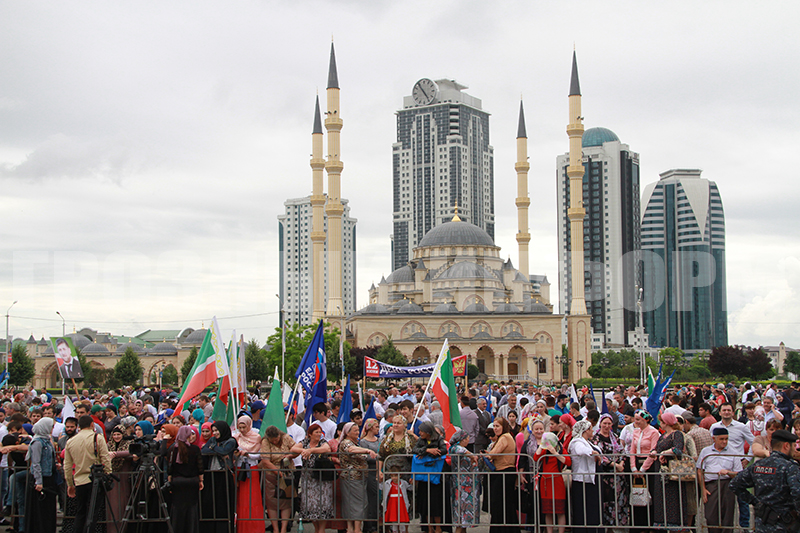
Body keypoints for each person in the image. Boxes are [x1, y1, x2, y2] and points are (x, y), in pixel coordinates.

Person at [731, 429, 800, 532]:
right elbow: (797, 493)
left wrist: (755, 502)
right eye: (794, 446)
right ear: (786, 446)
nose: (796, 450)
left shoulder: (759, 465)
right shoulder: (789, 467)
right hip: (784, 524)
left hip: (762, 523)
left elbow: (735, 484)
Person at [64, 415, 112, 533]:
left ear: (78, 426)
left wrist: (70, 483)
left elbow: (67, 466)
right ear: (92, 425)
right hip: (96, 478)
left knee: (81, 512)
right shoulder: (98, 438)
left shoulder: (70, 441)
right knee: (93, 512)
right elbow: (105, 458)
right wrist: (108, 474)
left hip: (79, 480)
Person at [697, 427, 742, 533]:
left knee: (727, 515)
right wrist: (703, 489)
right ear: (714, 439)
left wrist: (729, 472)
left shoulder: (733, 452)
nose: (724, 442)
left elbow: (739, 473)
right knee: (711, 515)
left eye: (726, 439)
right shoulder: (706, 451)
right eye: (721, 439)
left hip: (727, 485)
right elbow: (700, 470)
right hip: (711, 485)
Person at [291, 423, 333, 533]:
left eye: (320, 432)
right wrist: (304, 450)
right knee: (311, 505)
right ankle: (316, 528)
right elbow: (293, 448)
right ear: (310, 434)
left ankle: (322, 529)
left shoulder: (322, 442)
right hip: (308, 479)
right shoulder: (304, 442)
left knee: (323, 504)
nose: (319, 434)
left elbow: (326, 449)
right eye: (316, 432)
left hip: (321, 479)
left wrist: (311, 450)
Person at [651, 411, 688, 529]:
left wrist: (665, 453)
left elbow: (678, 449)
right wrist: (654, 452)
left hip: (672, 472)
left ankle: (675, 523)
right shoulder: (663, 435)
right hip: (661, 472)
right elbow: (656, 448)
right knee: (661, 498)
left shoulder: (677, 434)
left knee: (673, 498)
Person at [339, 421, 377, 533]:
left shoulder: (355, 443)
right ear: (347, 433)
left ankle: (352, 529)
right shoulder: (346, 443)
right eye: (354, 430)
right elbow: (351, 450)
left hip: (358, 477)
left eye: (357, 430)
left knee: (353, 503)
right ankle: (356, 529)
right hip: (352, 478)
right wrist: (368, 450)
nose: (357, 432)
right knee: (357, 503)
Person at [592, 413, 629, 528]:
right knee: (607, 501)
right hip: (606, 475)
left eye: (609, 423)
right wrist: (614, 465)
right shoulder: (596, 438)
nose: (607, 426)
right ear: (600, 424)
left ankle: (620, 524)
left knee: (620, 501)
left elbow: (623, 452)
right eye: (605, 423)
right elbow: (600, 455)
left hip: (618, 476)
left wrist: (621, 464)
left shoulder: (615, 437)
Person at [483, 417, 518, 533]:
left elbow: (493, 454)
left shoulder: (504, 437)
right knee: (504, 503)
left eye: (498, 426)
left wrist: (486, 454)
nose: (495, 428)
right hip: (504, 472)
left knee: (500, 503)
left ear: (503, 427)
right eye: (494, 426)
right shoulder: (504, 437)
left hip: (504, 472)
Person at [260, 425, 297, 533]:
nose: (275, 442)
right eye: (273, 441)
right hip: (271, 474)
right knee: (272, 502)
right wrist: (277, 472)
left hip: (287, 472)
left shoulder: (286, 437)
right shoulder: (265, 442)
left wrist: (289, 456)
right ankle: (275, 528)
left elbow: (296, 449)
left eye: (276, 440)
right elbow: (265, 461)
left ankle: (283, 528)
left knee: (286, 501)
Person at [201, 421, 237, 533]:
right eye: (214, 431)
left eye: (217, 430)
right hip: (212, 474)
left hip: (224, 474)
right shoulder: (212, 440)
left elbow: (225, 450)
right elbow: (203, 451)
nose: (215, 433)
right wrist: (216, 450)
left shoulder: (231, 441)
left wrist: (213, 449)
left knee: (223, 505)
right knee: (210, 504)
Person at [167, 425, 204, 533]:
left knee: (177, 510)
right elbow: (200, 467)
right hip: (192, 482)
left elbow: (170, 469)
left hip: (177, 483)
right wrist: (201, 481)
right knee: (191, 510)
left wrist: (170, 483)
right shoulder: (195, 449)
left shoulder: (173, 449)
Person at [412, 421, 447, 533]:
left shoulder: (438, 439)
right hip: (423, 477)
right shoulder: (421, 440)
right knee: (425, 503)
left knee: (435, 503)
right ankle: (429, 527)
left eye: (422, 431)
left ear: (428, 432)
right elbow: (415, 450)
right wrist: (426, 450)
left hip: (435, 476)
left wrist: (433, 453)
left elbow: (444, 450)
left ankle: (438, 527)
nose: (420, 433)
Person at [24, 418, 57, 533]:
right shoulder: (37, 442)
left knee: (48, 509)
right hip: (40, 478)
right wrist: (39, 481)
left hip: (49, 476)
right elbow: (36, 462)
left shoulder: (47, 440)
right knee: (39, 509)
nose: (52, 429)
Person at [234, 416, 265, 533]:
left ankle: (254, 527)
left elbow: (259, 455)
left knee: (252, 498)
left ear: (249, 425)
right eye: (240, 427)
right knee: (240, 498)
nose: (242, 430)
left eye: (244, 427)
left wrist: (248, 455)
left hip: (251, 469)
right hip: (238, 468)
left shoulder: (256, 437)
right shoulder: (236, 437)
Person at [569, 419, 601, 533]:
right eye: (590, 429)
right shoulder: (577, 442)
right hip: (581, 480)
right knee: (582, 509)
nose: (592, 430)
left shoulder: (588, 442)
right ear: (585, 430)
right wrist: (593, 453)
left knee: (591, 508)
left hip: (589, 480)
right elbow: (580, 450)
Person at [629, 410, 659, 528]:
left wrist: (642, 470)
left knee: (649, 494)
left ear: (645, 420)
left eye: (638, 420)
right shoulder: (636, 432)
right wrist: (633, 467)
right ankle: (638, 524)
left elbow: (652, 452)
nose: (636, 422)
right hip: (636, 463)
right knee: (637, 494)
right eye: (635, 419)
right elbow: (632, 450)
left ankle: (651, 524)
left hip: (649, 465)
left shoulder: (654, 432)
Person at [448, 429, 480, 533]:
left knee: (465, 517)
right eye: (467, 439)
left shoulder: (460, 448)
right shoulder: (455, 448)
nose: (468, 441)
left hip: (468, 486)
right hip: (461, 486)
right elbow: (461, 451)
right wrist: (472, 456)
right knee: (461, 513)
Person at [107, 425, 133, 533]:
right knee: (112, 507)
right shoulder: (109, 445)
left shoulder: (128, 444)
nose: (116, 437)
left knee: (123, 504)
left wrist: (116, 454)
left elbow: (131, 453)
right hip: (112, 478)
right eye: (114, 434)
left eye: (119, 434)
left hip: (123, 479)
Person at [359, 419, 381, 533]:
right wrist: (375, 456)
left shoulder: (379, 440)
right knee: (370, 498)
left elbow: (381, 454)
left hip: (378, 469)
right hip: (369, 471)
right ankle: (369, 525)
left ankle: (376, 523)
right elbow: (365, 456)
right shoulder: (363, 442)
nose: (378, 429)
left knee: (376, 498)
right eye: (376, 426)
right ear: (371, 428)